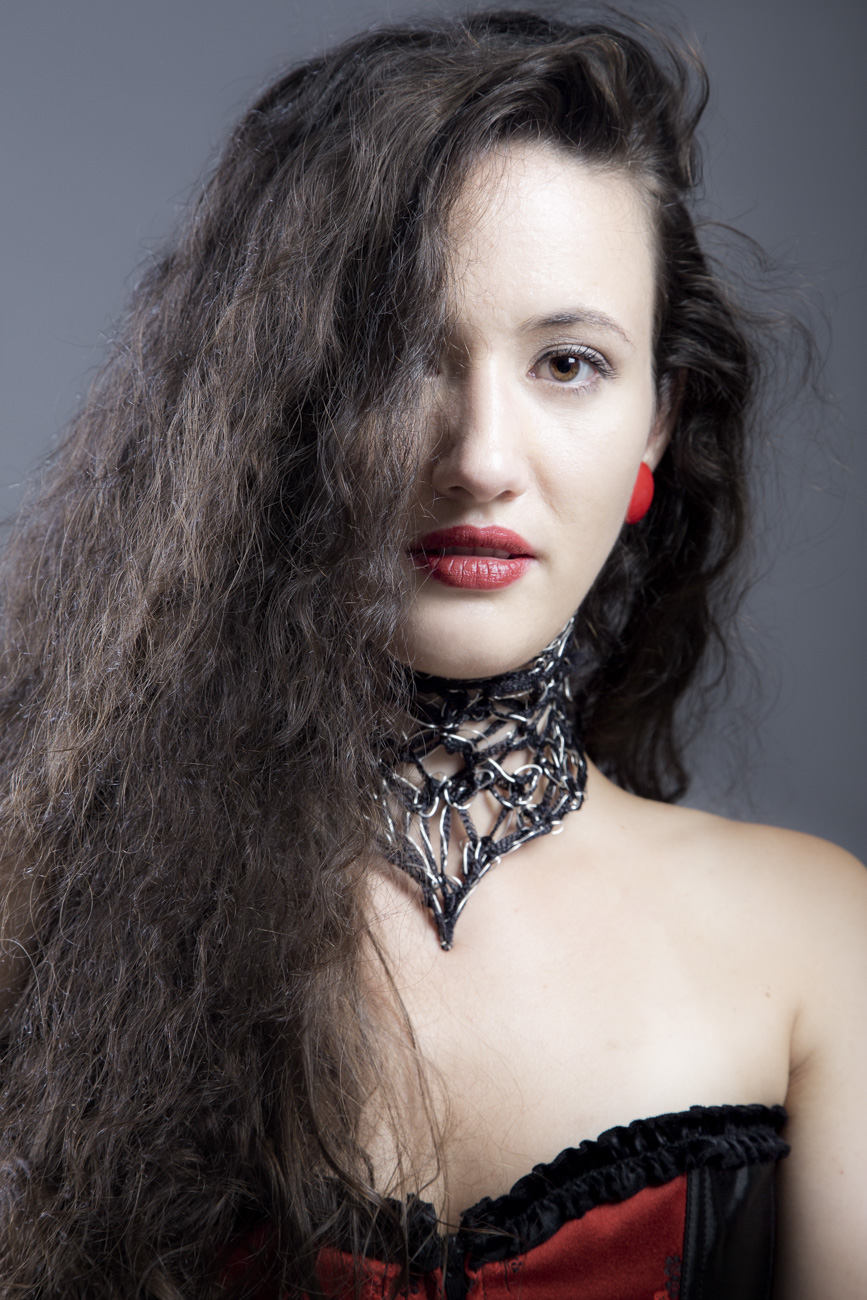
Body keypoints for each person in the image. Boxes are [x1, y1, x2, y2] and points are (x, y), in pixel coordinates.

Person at [0, 7, 864, 1298]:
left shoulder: (819, 941)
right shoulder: (43, 894)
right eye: (404, 353)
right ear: (284, 398)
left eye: (568, 363)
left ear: (655, 422)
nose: (481, 458)